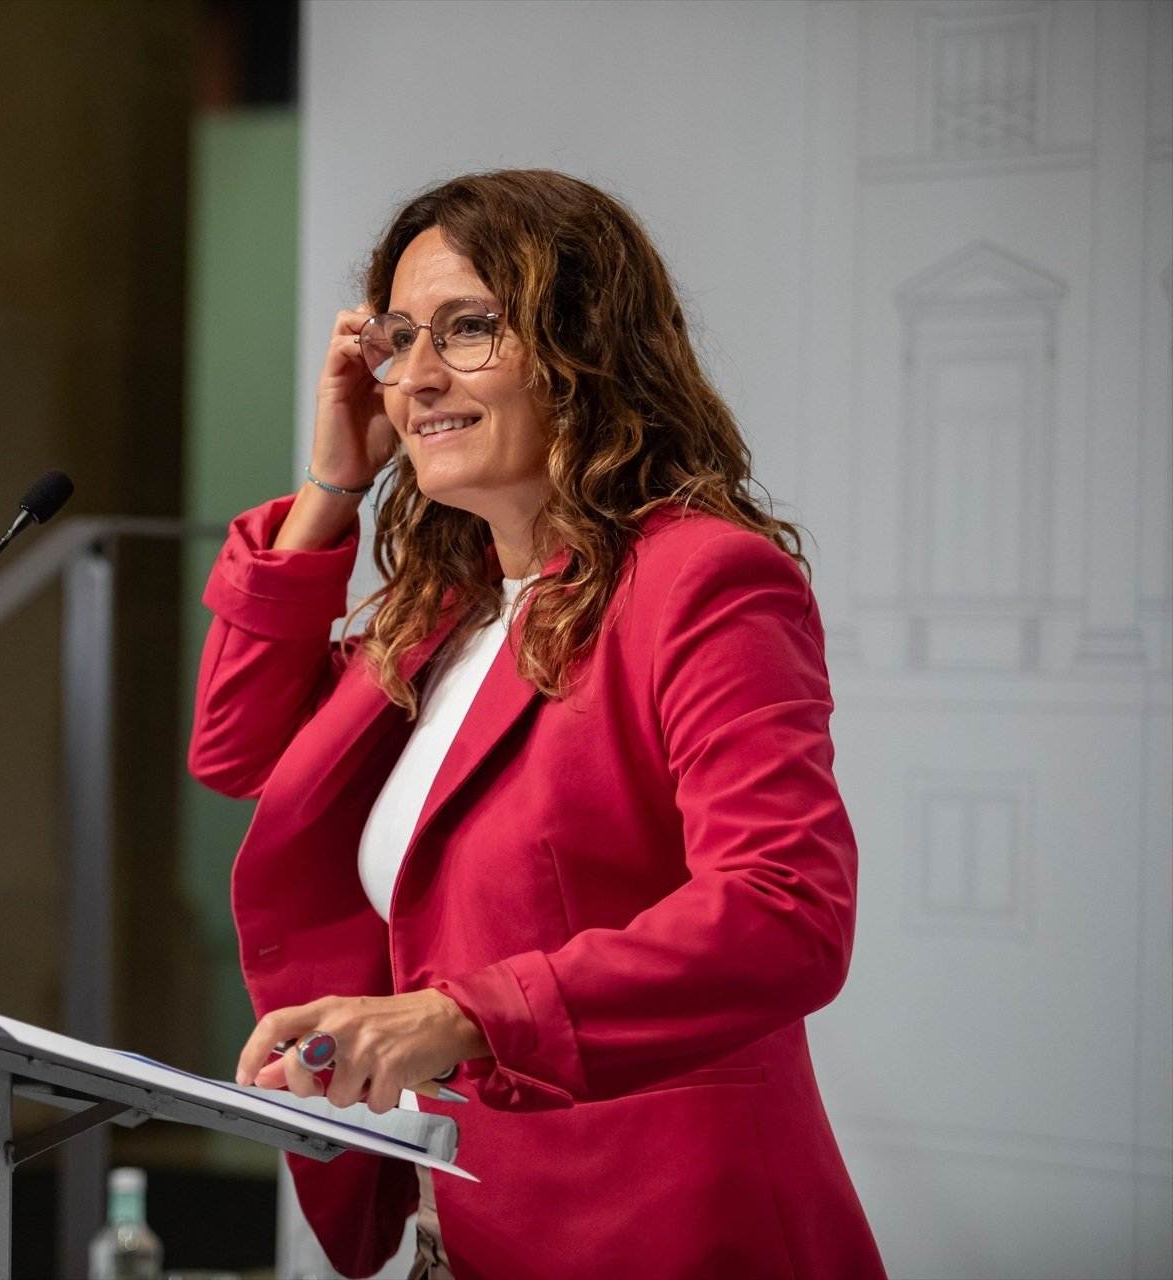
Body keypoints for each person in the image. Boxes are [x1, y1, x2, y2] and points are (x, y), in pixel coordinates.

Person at [188, 170, 887, 1280]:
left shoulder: (704, 580)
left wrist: (459, 1014)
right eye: (398, 338)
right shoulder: (446, 608)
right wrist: (332, 483)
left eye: (469, 329)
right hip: (456, 1226)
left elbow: (786, 908)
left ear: (584, 350)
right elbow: (236, 747)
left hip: (655, 1229)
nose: (415, 376)